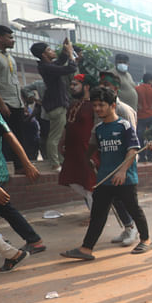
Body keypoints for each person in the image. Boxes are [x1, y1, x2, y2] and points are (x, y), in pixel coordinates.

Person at [60, 87, 152, 261]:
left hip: (125, 179)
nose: (97, 109)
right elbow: (92, 147)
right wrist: (87, 160)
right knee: (97, 214)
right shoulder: (99, 129)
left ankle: (146, 240)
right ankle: (86, 249)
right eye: (95, 105)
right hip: (104, 179)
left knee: (134, 209)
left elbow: (133, 150)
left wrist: (123, 171)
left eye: (101, 105)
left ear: (112, 105)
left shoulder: (124, 125)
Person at [0, 106, 44, 266]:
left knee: (5, 208)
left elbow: (10, 136)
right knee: (5, 208)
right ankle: (28, 241)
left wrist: (27, 163)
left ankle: (18, 248)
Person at [98, 70, 141, 247]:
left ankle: (135, 231)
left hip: (125, 164)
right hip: (109, 163)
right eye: (101, 84)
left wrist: (125, 167)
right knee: (115, 199)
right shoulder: (102, 109)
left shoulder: (123, 110)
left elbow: (133, 142)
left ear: (115, 88)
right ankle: (128, 226)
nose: (102, 88)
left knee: (128, 200)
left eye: (106, 85)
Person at [31, 39, 77, 171]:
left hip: (57, 105)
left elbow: (60, 62)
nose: (52, 51)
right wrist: (70, 54)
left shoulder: (47, 65)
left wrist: (64, 50)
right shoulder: (47, 67)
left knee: (59, 135)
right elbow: (70, 68)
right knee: (55, 137)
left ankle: (59, 159)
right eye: (49, 50)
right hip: (56, 106)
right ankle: (55, 163)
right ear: (44, 54)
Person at [59, 74, 97, 210]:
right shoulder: (73, 105)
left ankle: (95, 216)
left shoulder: (95, 105)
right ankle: (96, 209)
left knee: (89, 184)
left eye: (75, 84)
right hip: (72, 153)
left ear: (86, 87)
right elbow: (67, 126)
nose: (72, 87)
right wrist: (61, 142)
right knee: (72, 180)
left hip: (87, 151)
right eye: (71, 84)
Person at [0, 25, 29, 166]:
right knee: (1, 137)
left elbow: (15, 81)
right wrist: (1, 103)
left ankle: (21, 167)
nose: (13, 41)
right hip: (2, 103)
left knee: (19, 136)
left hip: (16, 102)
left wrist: (22, 102)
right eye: (10, 38)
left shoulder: (9, 56)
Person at [135, 73, 152, 162]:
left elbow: (134, 98)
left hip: (141, 116)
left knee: (140, 136)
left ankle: (142, 156)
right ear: (150, 80)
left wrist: (138, 104)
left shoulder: (137, 89)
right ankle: (150, 156)